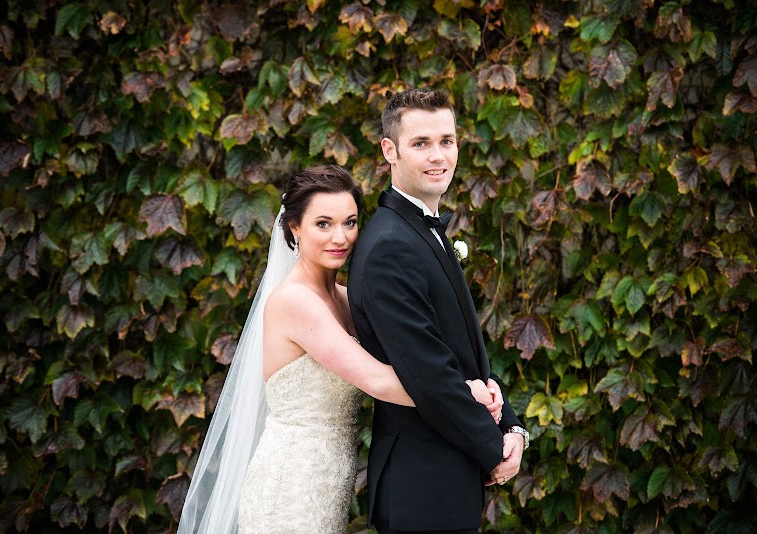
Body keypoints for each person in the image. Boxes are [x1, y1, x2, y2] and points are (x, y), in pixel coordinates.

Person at [177, 165, 502, 533]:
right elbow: (378, 380)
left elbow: (414, 354)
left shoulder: (346, 299)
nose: (340, 237)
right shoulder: (294, 301)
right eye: (323, 224)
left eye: (350, 222)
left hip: (331, 483)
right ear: (294, 228)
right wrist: (467, 394)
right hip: (292, 484)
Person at [347, 88, 530, 533]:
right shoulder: (390, 245)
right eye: (421, 143)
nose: (438, 156)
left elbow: (465, 351)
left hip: (443, 482)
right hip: (421, 488)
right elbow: (427, 372)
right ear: (389, 150)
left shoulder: (420, 230)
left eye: (446, 141)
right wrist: (494, 450)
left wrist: (513, 429)